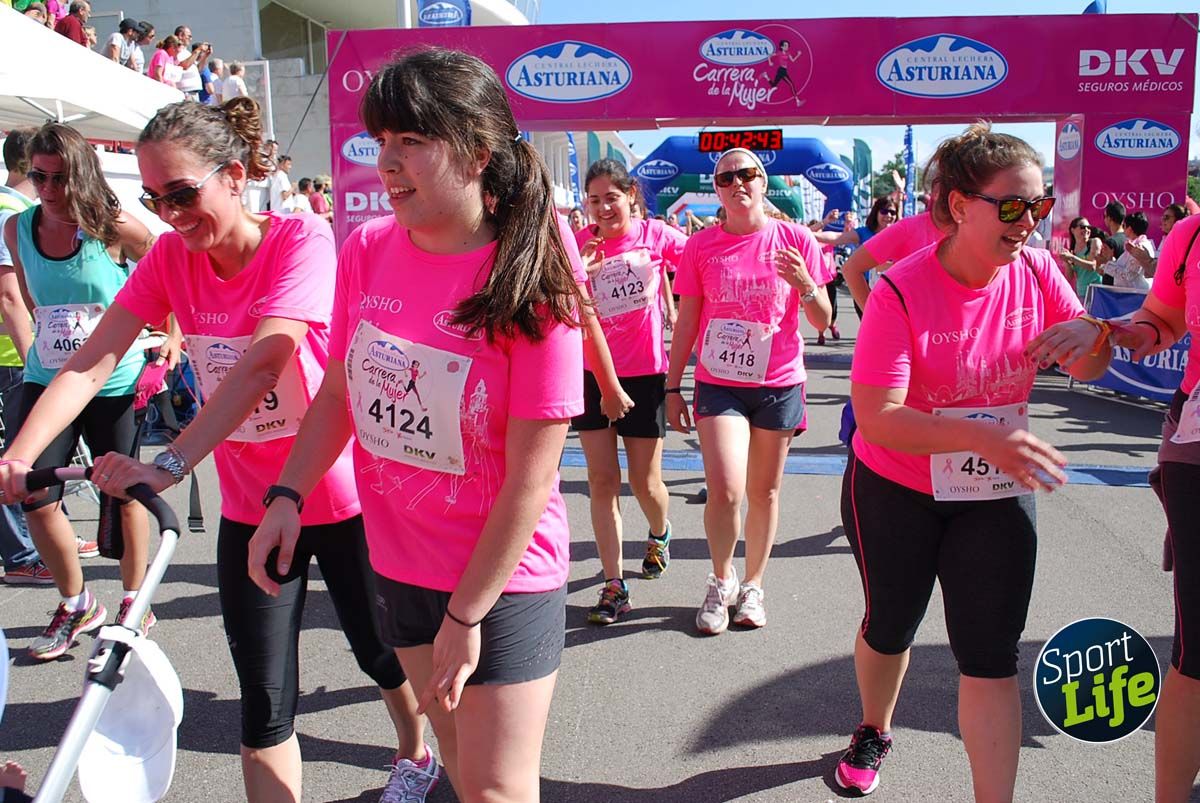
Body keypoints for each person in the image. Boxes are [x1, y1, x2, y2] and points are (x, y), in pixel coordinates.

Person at [0, 99, 434, 803]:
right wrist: (16, 454)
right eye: (153, 198)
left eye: (182, 193)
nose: (170, 214)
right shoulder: (172, 256)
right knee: (264, 697)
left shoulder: (303, 238)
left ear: (234, 176)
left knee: (380, 653)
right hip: (250, 505)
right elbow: (88, 360)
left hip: (339, 493)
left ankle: (415, 752)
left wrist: (169, 462)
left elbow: (266, 362)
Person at [246, 47, 583, 803]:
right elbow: (338, 391)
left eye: (411, 141)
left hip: (501, 580)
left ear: (477, 152)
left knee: (498, 789)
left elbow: (532, 478)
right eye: (381, 141)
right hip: (400, 563)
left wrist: (467, 613)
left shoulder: (531, 279)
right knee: (463, 777)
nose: (386, 161)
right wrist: (287, 497)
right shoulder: (366, 248)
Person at [835, 123, 1113, 798]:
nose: (1028, 223)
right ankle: (874, 725)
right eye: (1011, 206)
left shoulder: (1038, 270)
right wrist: (981, 435)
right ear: (960, 205)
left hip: (993, 492)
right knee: (890, 624)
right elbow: (878, 417)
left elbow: (1093, 364)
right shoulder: (901, 288)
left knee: (991, 659)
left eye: (1039, 207)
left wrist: (1093, 331)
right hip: (895, 483)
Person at [0, 123, 161, 660]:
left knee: (122, 488)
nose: (47, 188)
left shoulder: (111, 226)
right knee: (33, 491)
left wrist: (173, 338)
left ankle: (134, 601)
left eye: (60, 178)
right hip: (51, 377)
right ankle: (76, 601)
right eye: (40, 176)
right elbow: (26, 299)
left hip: (115, 377)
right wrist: (35, 357)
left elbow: (169, 265)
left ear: (82, 174)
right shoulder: (17, 229)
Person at [666, 147, 832, 635]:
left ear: (764, 182)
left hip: (778, 382)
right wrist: (673, 386)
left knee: (765, 490)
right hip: (720, 382)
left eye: (748, 174)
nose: (738, 183)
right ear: (716, 190)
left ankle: (754, 584)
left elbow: (822, 320)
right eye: (726, 178)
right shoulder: (700, 247)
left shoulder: (795, 239)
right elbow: (688, 320)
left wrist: (805, 282)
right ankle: (721, 580)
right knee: (726, 488)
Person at [1113, 210, 1200, 803]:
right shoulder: (1191, 236)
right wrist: (1129, 333)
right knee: (1197, 647)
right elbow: (1165, 316)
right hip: (1195, 442)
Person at [574, 158, 684, 624]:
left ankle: (659, 532)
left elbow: (701, 264)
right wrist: (580, 268)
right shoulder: (580, 243)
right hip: (590, 373)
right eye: (594, 200)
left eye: (611, 198)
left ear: (631, 195)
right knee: (602, 482)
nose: (603, 209)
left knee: (645, 483)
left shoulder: (657, 236)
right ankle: (613, 585)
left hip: (643, 376)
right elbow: (552, 294)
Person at [0, 128, 52, 586]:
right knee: (16, 457)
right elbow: (12, 297)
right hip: (13, 357)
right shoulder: (12, 212)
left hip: (16, 355)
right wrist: (33, 355)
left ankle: (32, 545)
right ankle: (21, 553)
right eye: (41, 175)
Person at [812, 197, 900, 338]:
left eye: (892, 212)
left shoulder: (900, 233)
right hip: (864, 288)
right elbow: (837, 237)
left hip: (892, 289)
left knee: (891, 330)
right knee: (873, 328)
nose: (888, 216)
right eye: (884, 211)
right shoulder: (864, 233)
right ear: (876, 212)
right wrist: (812, 234)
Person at [1058, 216, 1103, 300]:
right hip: (1081, 293)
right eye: (1082, 227)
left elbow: (1093, 266)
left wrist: (1072, 258)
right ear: (1072, 230)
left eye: (1088, 227)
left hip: (1096, 292)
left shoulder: (1094, 242)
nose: (1086, 230)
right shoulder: (1072, 250)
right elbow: (1070, 276)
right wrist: (1067, 262)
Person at [1108, 211, 1154, 289]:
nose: (1123, 229)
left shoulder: (1141, 247)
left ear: (1129, 228)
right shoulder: (1133, 244)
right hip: (1129, 294)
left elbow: (1129, 275)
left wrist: (1108, 266)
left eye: (1124, 226)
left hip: (1136, 295)